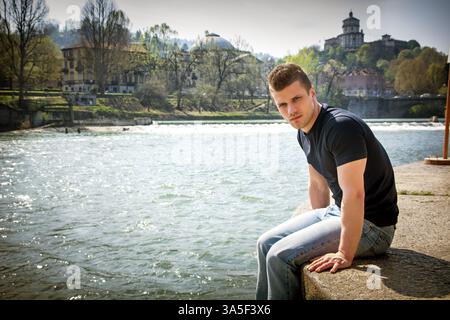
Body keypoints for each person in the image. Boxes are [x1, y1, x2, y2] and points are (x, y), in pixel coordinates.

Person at [256, 63, 399, 300]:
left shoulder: (341, 127)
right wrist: (314, 236)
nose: (291, 110)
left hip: (373, 226)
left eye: (296, 99)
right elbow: (317, 185)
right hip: (336, 212)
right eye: (282, 104)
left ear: (312, 93)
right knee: (264, 244)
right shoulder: (303, 131)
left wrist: (344, 253)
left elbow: (355, 194)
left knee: (278, 257)